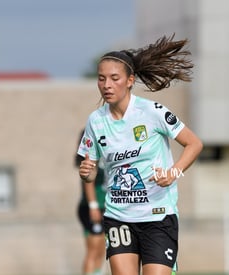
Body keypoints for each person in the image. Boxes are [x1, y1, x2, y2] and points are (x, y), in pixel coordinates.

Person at [77, 34, 203, 275]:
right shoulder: (96, 120)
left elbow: (194, 143)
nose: (107, 85)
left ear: (130, 80)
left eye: (114, 78)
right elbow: (90, 170)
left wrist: (173, 173)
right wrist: (87, 172)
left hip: (157, 216)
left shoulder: (152, 111)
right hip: (119, 216)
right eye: (101, 79)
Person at [75, 130, 107, 275]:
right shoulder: (91, 158)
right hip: (92, 208)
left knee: (102, 250)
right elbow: (88, 182)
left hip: (106, 207)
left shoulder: (106, 155)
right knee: (93, 251)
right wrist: (93, 206)